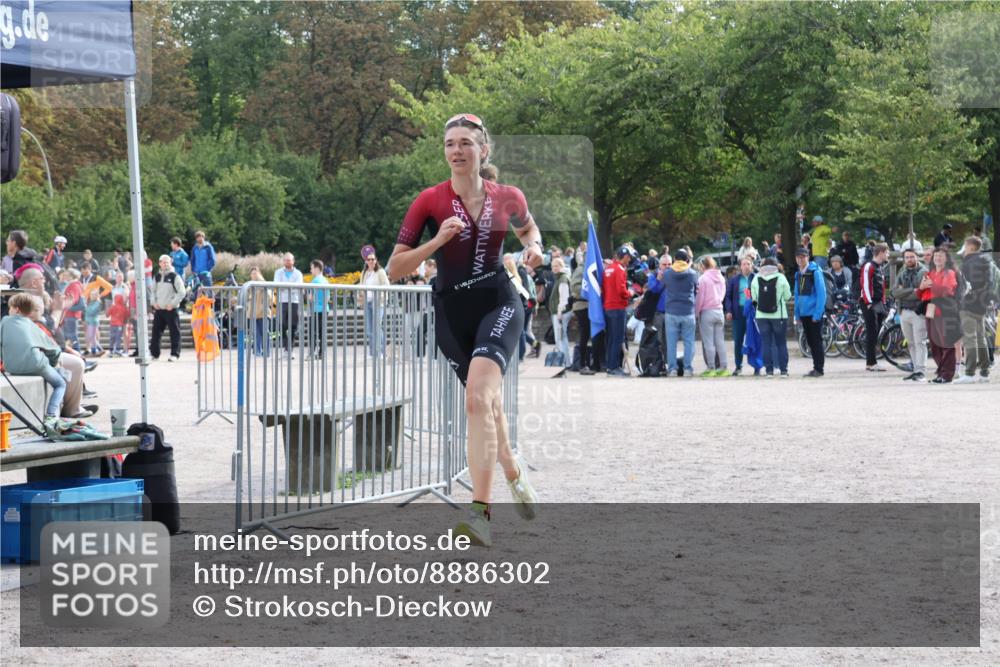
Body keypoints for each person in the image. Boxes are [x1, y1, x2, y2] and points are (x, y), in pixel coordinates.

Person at [387, 112, 541, 546]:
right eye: (450, 143)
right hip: (452, 313)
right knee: (486, 405)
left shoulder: (507, 196)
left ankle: (480, 516)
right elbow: (395, 268)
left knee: (477, 399)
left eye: (465, 143)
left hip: (497, 302)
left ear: (483, 150)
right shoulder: (429, 201)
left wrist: (533, 249)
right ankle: (512, 470)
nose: (456, 151)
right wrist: (436, 243)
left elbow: (529, 230)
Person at [0, 293, 69, 429]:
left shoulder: (4, 321)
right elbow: (54, 350)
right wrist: (52, 362)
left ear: (17, 309)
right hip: (36, 364)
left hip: (12, 368)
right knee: (60, 384)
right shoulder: (31, 325)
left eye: (10, 308)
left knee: (58, 372)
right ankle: (51, 414)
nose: (9, 311)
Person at [918, 247, 962, 383]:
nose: (937, 258)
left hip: (946, 312)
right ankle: (941, 371)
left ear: (946, 258)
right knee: (934, 344)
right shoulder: (930, 273)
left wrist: (930, 285)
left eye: (941, 256)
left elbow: (946, 290)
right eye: (936, 255)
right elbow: (921, 295)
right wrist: (922, 287)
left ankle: (947, 375)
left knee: (946, 343)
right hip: (931, 312)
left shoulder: (949, 273)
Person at [953, 236, 994, 384]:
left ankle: (969, 373)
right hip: (981, 305)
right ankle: (984, 372)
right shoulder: (987, 261)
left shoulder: (967, 263)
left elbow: (963, 287)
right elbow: (990, 284)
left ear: (970, 247)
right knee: (981, 338)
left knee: (970, 338)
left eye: (965, 245)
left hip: (968, 304)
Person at [891, 248, 929, 382]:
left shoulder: (923, 271)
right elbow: (895, 292)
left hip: (918, 312)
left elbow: (921, 294)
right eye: (906, 257)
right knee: (911, 343)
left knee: (920, 342)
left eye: (911, 257)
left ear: (917, 257)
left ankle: (921, 371)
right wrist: (914, 290)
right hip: (904, 312)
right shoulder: (902, 271)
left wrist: (907, 291)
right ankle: (915, 370)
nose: (909, 260)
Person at [751, 257, 792, 377]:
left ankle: (769, 371)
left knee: (766, 343)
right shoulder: (781, 277)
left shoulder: (756, 278)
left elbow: (754, 298)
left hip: (761, 316)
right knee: (781, 343)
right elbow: (787, 296)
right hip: (779, 315)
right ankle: (783, 370)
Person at [663, 249, 699, 377]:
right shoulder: (693, 274)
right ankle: (688, 369)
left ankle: (672, 369)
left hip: (671, 311)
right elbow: (696, 290)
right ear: (687, 260)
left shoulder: (667, 274)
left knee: (671, 343)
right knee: (688, 342)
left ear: (674, 259)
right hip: (688, 311)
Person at [793, 247, 827, 377]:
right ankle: (816, 367)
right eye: (798, 257)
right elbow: (796, 295)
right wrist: (797, 314)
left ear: (808, 257)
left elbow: (821, 294)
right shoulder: (798, 274)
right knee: (811, 342)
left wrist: (817, 314)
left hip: (813, 314)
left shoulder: (815, 272)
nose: (801, 259)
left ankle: (819, 369)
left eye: (803, 257)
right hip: (804, 314)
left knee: (816, 342)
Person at [695, 255, 727, 376]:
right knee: (720, 341)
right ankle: (723, 367)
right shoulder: (721, 277)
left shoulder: (703, 279)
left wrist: (696, 312)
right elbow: (723, 294)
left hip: (707, 311)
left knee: (709, 342)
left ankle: (711, 367)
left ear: (703, 266)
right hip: (719, 310)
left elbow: (700, 298)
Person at [603, 246, 633, 376]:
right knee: (618, 338)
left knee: (611, 338)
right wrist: (630, 293)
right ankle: (614, 367)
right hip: (618, 307)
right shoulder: (620, 269)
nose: (630, 259)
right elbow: (621, 290)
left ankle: (610, 366)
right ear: (625, 257)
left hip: (608, 306)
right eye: (629, 257)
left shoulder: (608, 269)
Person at [859, 242, 889, 371]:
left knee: (876, 332)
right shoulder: (869, 266)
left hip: (878, 303)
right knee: (872, 332)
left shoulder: (879, 267)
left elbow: (881, 287)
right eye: (887, 252)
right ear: (881, 252)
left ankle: (871, 361)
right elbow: (864, 284)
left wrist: (883, 302)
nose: (888, 255)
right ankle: (871, 362)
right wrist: (868, 302)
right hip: (870, 303)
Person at [149, 255, 185, 362]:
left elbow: (182, 292)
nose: (165, 264)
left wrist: (173, 304)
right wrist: (153, 303)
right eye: (163, 262)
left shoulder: (175, 276)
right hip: (159, 309)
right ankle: (155, 354)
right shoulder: (157, 276)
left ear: (170, 263)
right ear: (159, 263)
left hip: (171, 310)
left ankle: (175, 354)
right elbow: (153, 291)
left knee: (174, 332)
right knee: (156, 333)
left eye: (167, 262)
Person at [725, 257, 756, 376]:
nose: (746, 266)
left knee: (754, 340)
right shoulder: (734, 280)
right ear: (740, 266)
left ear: (752, 265)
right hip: (738, 312)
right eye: (744, 264)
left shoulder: (756, 278)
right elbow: (728, 296)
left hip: (753, 312)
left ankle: (756, 366)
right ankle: (738, 366)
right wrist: (728, 310)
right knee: (738, 340)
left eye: (748, 264)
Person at [358, 246, 389, 357]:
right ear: (366, 261)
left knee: (377, 327)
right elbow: (361, 286)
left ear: (376, 261)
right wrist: (360, 297)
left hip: (378, 303)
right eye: (369, 259)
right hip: (368, 303)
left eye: (373, 259)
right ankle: (372, 352)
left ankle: (380, 351)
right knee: (369, 329)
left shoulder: (380, 272)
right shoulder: (364, 272)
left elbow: (386, 286)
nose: (371, 261)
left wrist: (380, 297)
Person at [643, 254, 671, 373]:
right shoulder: (653, 275)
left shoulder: (674, 275)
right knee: (658, 340)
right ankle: (658, 364)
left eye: (669, 264)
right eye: (664, 264)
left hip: (670, 313)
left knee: (669, 341)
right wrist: (659, 280)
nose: (667, 267)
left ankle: (669, 365)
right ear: (660, 265)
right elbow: (653, 291)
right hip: (657, 313)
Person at [569, 258, 598, 374]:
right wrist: (591, 292)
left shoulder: (590, 270)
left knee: (590, 335)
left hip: (590, 306)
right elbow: (575, 287)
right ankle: (582, 364)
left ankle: (591, 363)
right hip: (581, 305)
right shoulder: (580, 270)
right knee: (584, 334)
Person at [273, 252, 304, 353]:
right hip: (282, 301)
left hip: (294, 301)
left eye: (289, 260)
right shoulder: (278, 272)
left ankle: (290, 347)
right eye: (286, 260)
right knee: (282, 324)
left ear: (293, 261)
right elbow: (277, 285)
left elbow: (298, 287)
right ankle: (286, 346)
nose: (287, 261)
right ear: (283, 261)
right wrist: (290, 287)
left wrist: (284, 287)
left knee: (293, 325)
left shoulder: (298, 273)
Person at [548, 257, 572, 367]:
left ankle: (563, 362)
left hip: (561, 312)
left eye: (557, 266)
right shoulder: (559, 278)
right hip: (559, 312)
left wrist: (559, 312)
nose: (554, 268)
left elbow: (564, 297)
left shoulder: (562, 279)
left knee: (560, 337)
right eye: (553, 266)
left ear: (561, 266)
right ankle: (566, 361)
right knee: (561, 337)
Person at [247, 267, 274, 357]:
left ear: (259, 273)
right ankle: (257, 351)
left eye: (255, 273)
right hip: (253, 313)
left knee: (265, 332)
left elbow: (270, 297)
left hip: (263, 312)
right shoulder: (249, 285)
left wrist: (263, 305)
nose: (254, 275)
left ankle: (266, 352)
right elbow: (246, 298)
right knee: (256, 333)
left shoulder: (263, 284)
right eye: (252, 273)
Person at [308, 259, 328, 359]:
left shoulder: (315, 281)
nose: (310, 270)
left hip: (316, 309)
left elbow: (311, 297)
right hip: (325, 309)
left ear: (316, 268)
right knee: (322, 332)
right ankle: (321, 353)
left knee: (313, 332)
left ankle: (311, 353)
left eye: (311, 268)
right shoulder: (325, 280)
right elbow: (328, 297)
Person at [60, 268, 84, 351]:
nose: (65, 276)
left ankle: (78, 353)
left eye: (66, 274)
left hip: (71, 314)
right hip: (69, 314)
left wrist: (63, 302)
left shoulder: (74, 285)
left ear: (71, 276)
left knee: (71, 336)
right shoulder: (73, 284)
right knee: (70, 336)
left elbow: (74, 299)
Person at [83, 289, 105, 357]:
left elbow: (92, 311)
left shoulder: (98, 303)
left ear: (97, 295)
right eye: (92, 294)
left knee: (92, 337)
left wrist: (87, 309)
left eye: (94, 295)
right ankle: (97, 350)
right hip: (89, 321)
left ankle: (95, 350)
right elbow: (86, 312)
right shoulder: (90, 302)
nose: (93, 296)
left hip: (94, 321)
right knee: (91, 336)